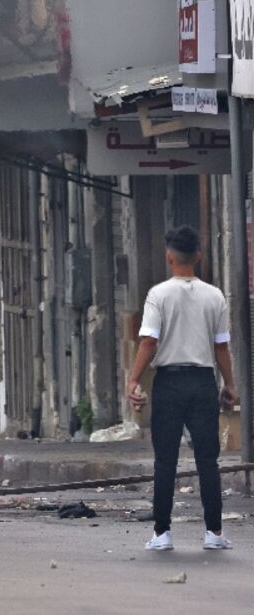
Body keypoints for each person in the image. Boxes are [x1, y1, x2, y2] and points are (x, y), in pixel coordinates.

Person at [128, 226, 236, 552]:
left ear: (169, 256)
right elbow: (221, 348)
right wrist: (229, 384)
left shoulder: (158, 295)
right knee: (208, 460)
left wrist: (132, 379)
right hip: (203, 382)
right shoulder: (215, 296)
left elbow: (149, 341)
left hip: (169, 384)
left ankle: (162, 534)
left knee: (165, 460)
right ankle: (214, 533)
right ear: (199, 257)